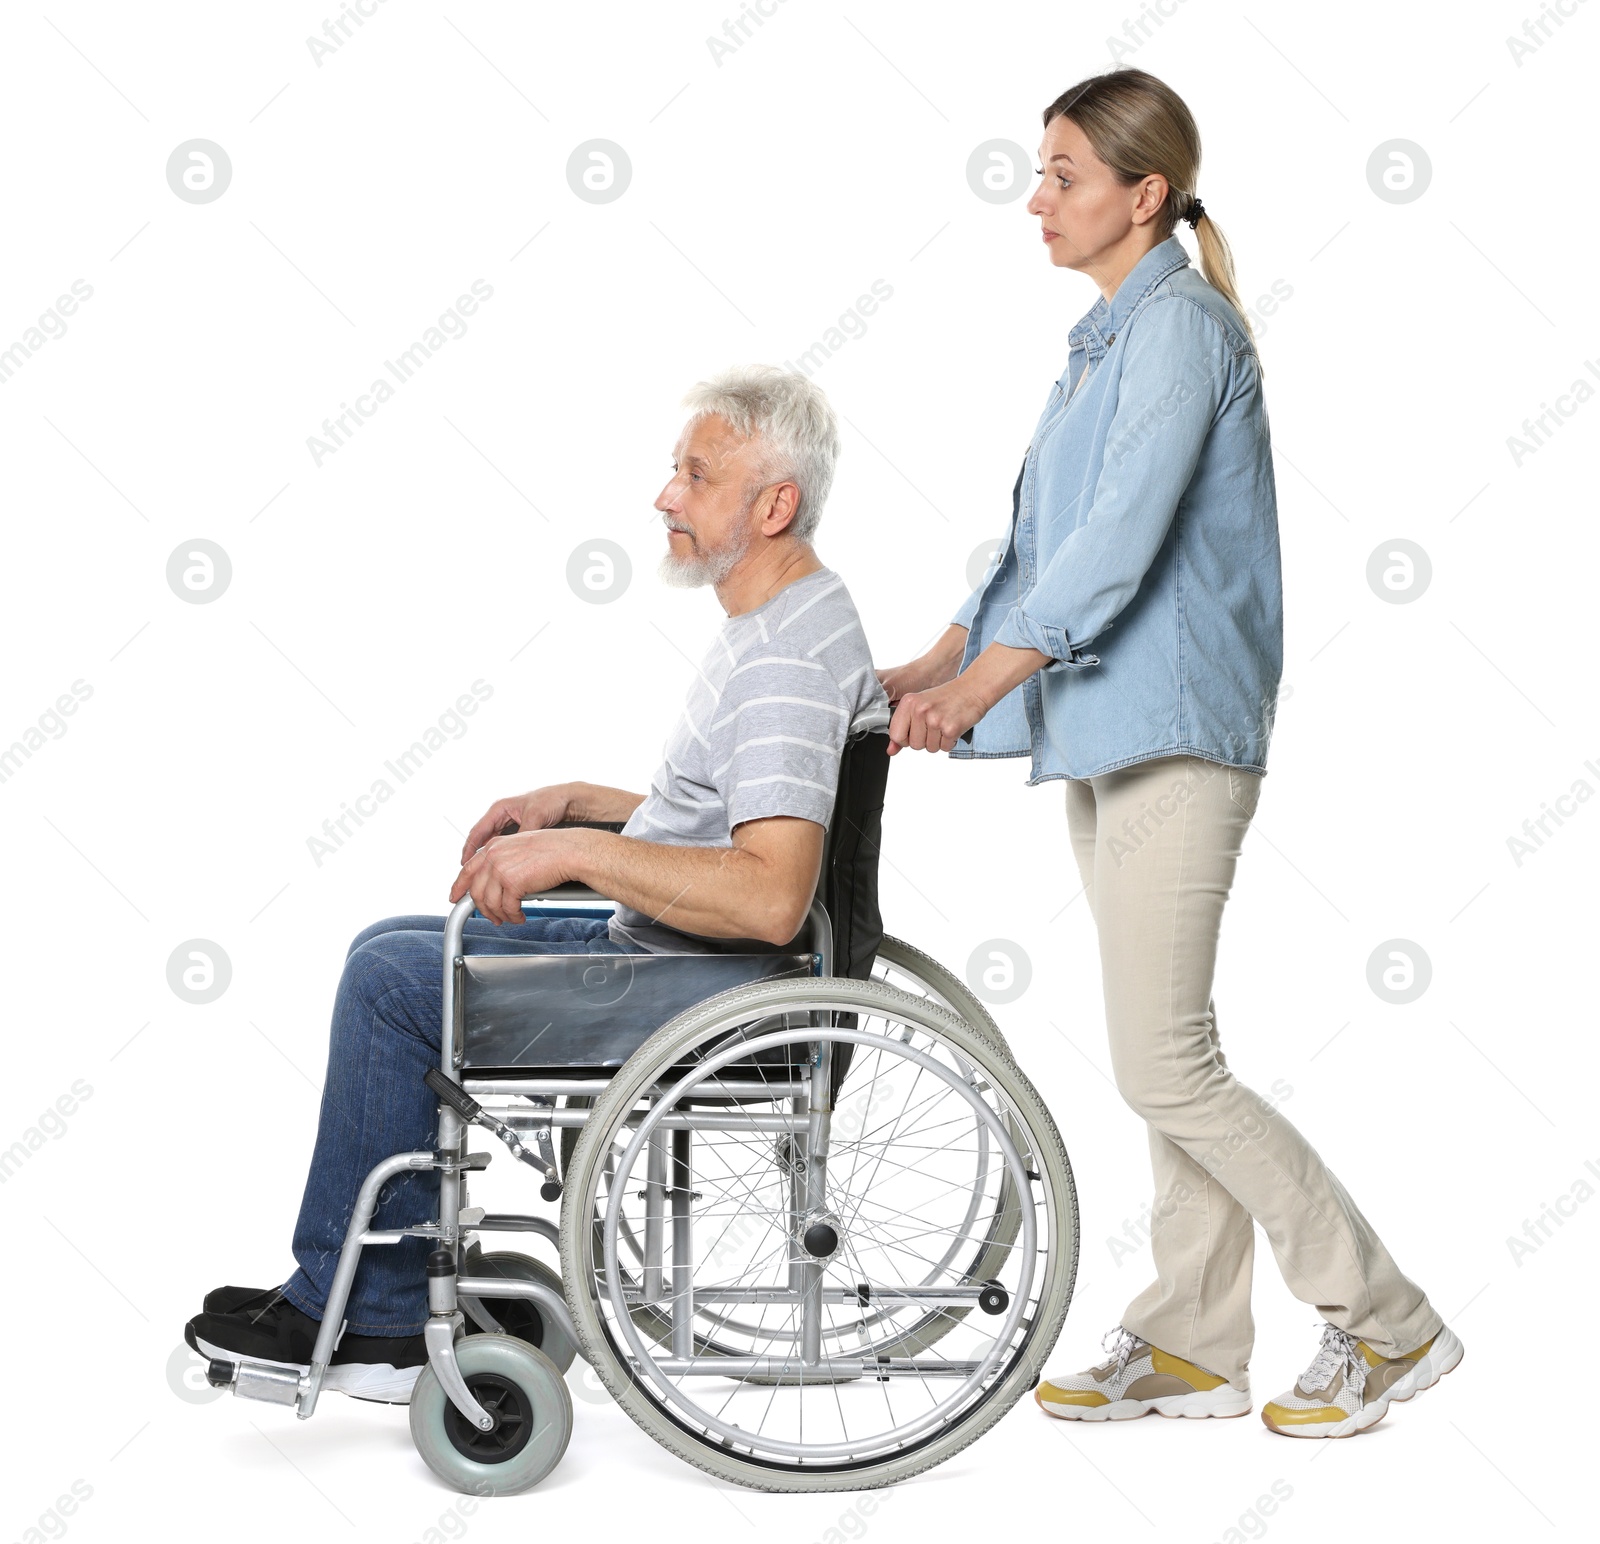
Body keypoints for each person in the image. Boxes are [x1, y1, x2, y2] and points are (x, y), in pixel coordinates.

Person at [877, 67, 1462, 1439]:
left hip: (1176, 724)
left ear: (1142, 195)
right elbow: (1037, 547)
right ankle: (1195, 1337)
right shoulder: (1102, 343)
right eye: (1041, 172)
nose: (1039, 198)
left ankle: (1390, 1324)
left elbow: (1119, 543)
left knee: (1166, 1067)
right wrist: (934, 658)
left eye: (1065, 175)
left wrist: (981, 690)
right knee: (1166, 1048)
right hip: (1108, 728)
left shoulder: (1183, 331)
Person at [185, 364, 890, 1402]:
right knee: (390, 942)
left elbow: (766, 894)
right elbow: (719, 818)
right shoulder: (788, 620)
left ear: (772, 504)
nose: (665, 496)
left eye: (696, 477)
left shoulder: (781, 660)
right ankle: (371, 1278)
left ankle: (371, 1315)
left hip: (709, 991)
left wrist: (581, 855)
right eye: (674, 471)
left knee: (393, 984)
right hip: (686, 963)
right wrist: (579, 803)